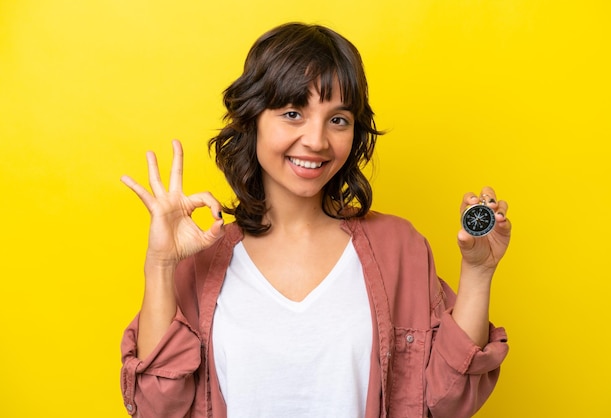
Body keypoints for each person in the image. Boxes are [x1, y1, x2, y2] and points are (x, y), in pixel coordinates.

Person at [120, 22, 511, 418]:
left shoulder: (399, 248)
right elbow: (157, 408)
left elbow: (449, 401)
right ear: (253, 119)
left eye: (338, 119)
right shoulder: (203, 255)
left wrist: (478, 272)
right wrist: (161, 265)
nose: (317, 140)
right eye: (293, 113)